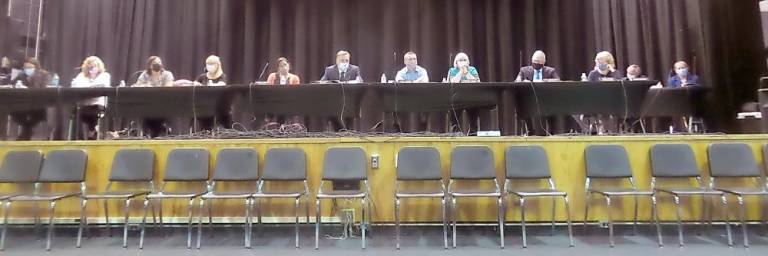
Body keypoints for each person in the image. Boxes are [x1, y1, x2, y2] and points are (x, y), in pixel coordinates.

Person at [9, 57, 51, 140]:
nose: (27, 69)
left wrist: (32, 81)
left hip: (39, 104)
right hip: (23, 103)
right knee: (13, 111)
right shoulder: (21, 74)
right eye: (25, 68)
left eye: (30, 68)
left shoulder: (43, 75)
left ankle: (26, 132)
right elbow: (12, 84)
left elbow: (41, 88)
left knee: (35, 113)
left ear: (36, 67)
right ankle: (27, 130)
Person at [71, 56, 111, 140]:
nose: (92, 69)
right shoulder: (81, 76)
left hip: (97, 104)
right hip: (83, 104)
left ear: (99, 67)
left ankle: (92, 133)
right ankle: (79, 138)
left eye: (94, 66)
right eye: (90, 67)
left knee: (93, 111)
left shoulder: (105, 75)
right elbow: (76, 86)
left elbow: (103, 87)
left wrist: (87, 87)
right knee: (73, 111)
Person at [134, 56, 175, 137]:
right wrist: (145, 85)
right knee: (145, 112)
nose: (158, 65)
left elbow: (168, 87)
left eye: (159, 63)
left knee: (157, 115)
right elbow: (138, 85)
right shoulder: (144, 75)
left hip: (163, 103)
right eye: (155, 63)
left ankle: (161, 131)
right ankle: (148, 134)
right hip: (148, 103)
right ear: (150, 65)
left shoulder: (167, 74)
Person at [194, 55, 229, 131]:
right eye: (208, 64)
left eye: (212, 64)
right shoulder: (202, 77)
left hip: (218, 105)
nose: (209, 66)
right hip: (204, 105)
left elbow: (222, 85)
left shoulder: (222, 76)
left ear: (217, 66)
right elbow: (195, 85)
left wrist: (212, 85)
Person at [265, 57, 302, 128]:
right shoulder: (272, 76)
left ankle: (285, 126)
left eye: (285, 65)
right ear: (278, 68)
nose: (284, 67)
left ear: (289, 66)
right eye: (281, 66)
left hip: (289, 103)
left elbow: (296, 93)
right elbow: (268, 90)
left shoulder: (294, 78)